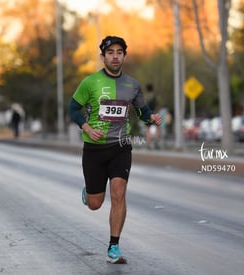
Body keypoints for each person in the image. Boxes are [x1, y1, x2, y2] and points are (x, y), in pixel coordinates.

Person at [68, 35, 162, 264]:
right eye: (110, 52)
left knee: (119, 194)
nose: (115, 56)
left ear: (124, 56)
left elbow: (142, 111)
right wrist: (87, 128)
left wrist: (152, 118)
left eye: (119, 52)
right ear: (103, 57)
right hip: (94, 149)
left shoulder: (132, 85)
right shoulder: (90, 82)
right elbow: (73, 109)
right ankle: (89, 191)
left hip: (121, 147)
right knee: (95, 204)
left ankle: (113, 246)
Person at [145, 83, 161, 149]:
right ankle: (156, 142)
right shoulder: (155, 96)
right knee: (158, 128)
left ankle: (148, 144)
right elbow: (158, 105)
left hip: (148, 115)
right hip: (155, 114)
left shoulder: (145, 97)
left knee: (148, 129)